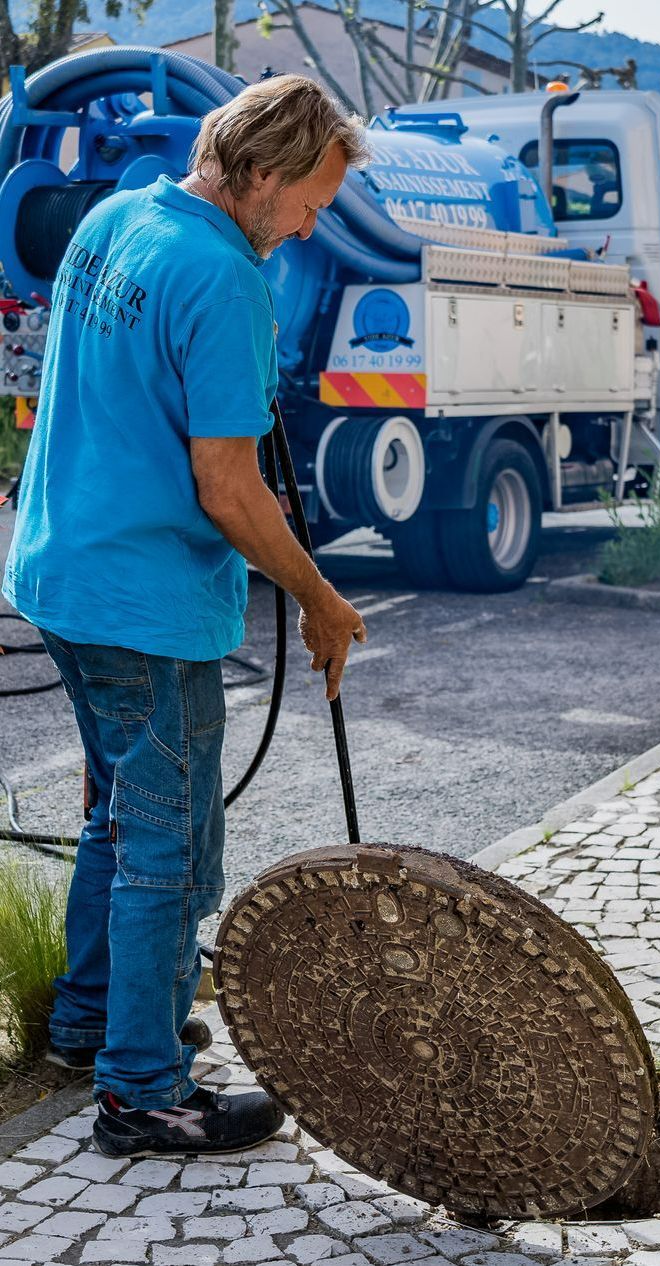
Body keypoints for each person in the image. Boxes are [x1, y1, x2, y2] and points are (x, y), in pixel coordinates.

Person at [2, 74, 371, 1157]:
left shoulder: (117, 216)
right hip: (145, 605)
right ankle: (144, 1091)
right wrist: (319, 598)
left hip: (61, 574)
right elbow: (231, 489)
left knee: (117, 816)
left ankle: (93, 1025)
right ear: (257, 173)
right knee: (170, 845)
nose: (308, 230)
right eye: (307, 205)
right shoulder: (222, 278)